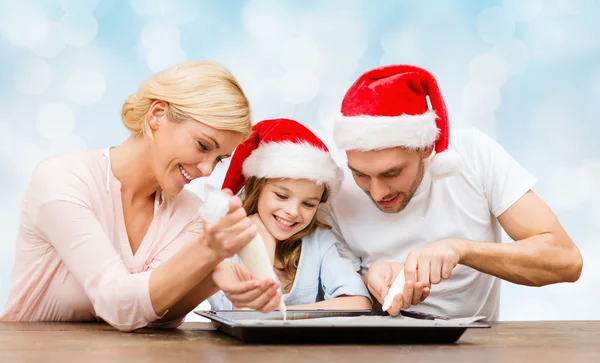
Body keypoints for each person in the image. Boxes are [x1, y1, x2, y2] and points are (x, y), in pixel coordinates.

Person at [1, 61, 281, 331]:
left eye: (219, 159)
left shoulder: (189, 213)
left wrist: (210, 277)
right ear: (157, 114)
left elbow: (152, 317)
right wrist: (207, 253)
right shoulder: (64, 179)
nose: (207, 169)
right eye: (202, 145)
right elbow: (117, 304)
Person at [320, 64, 583, 320]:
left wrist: (461, 250)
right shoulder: (335, 191)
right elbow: (327, 299)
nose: (377, 193)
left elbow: (565, 260)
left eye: (392, 173)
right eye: (361, 175)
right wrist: (371, 284)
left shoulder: (473, 156)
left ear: (426, 148)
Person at [209, 118, 372, 311]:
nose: (293, 212)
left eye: (308, 204)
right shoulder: (225, 244)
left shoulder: (319, 241)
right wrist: (264, 251)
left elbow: (358, 303)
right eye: (281, 196)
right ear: (257, 188)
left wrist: (280, 314)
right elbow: (242, 314)